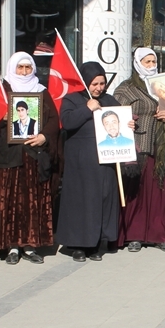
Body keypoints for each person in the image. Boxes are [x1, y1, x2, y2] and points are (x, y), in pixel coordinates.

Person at [0, 50, 59, 266]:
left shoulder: (41, 91)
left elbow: (54, 119)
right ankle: (12, 246)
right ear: (12, 68)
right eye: (20, 67)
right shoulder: (2, 89)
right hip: (8, 157)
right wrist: (2, 117)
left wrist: (44, 136)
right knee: (10, 201)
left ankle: (30, 245)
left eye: (28, 67)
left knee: (31, 201)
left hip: (33, 156)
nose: (24, 71)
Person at [114, 47, 165, 253]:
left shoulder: (163, 85)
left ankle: (160, 235)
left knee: (160, 193)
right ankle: (134, 235)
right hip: (137, 147)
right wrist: (127, 122)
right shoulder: (126, 88)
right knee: (137, 192)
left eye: (153, 62)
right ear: (137, 63)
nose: (151, 66)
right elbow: (114, 113)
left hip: (161, 148)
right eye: (147, 62)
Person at [57, 63, 122, 261]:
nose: (99, 88)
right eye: (94, 84)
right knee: (80, 202)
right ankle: (77, 245)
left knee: (100, 200)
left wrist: (129, 124)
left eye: (102, 83)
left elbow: (120, 121)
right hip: (80, 162)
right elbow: (67, 122)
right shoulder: (72, 99)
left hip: (104, 162)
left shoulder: (109, 100)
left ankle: (96, 243)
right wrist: (87, 108)